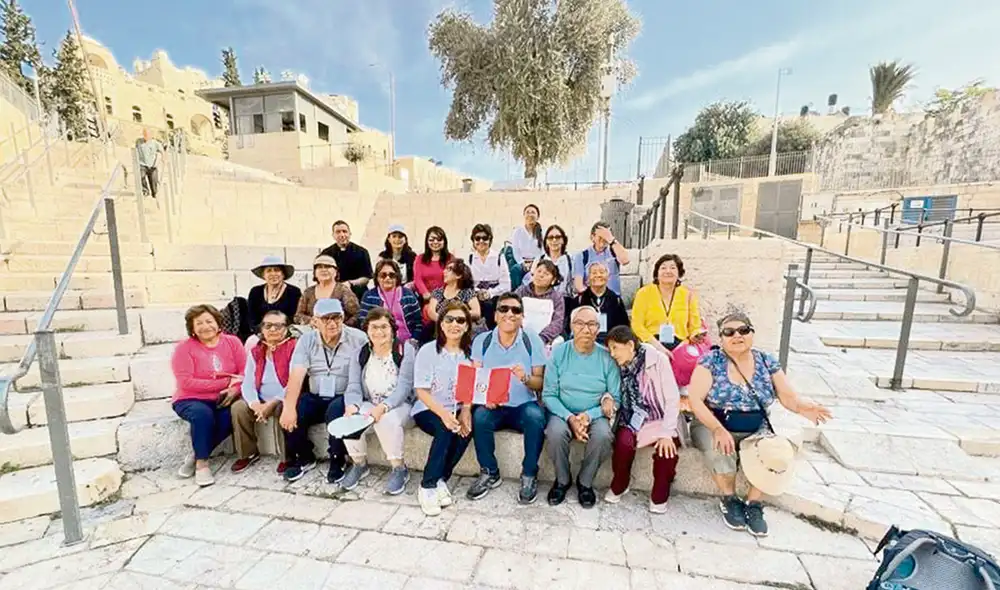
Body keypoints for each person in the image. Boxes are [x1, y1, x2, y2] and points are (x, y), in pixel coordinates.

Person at [687, 311, 832, 537]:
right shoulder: (710, 361)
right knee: (720, 451)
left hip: (756, 427)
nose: (737, 335)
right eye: (729, 332)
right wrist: (717, 429)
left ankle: (753, 504)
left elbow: (788, 396)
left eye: (743, 330)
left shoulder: (766, 361)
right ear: (721, 338)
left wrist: (804, 408)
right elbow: (695, 399)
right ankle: (729, 498)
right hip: (714, 423)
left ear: (752, 334)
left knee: (777, 454)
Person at [463, 292, 547, 504]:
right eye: (504, 309)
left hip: (523, 405)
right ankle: (490, 471)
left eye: (516, 310)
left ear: (522, 317)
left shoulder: (531, 340)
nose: (510, 314)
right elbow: (474, 380)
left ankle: (529, 474)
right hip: (494, 405)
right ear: (495, 315)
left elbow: (541, 381)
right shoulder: (482, 341)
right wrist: (482, 400)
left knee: (535, 416)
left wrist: (526, 378)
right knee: (480, 416)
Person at [278, 299, 368, 483]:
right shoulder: (306, 340)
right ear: (315, 321)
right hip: (316, 394)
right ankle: (304, 457)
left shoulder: (358, 339)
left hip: (344, 394)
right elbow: (296, 376)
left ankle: (337, 460)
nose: (332, 323)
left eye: (337, 317)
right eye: (326, 319)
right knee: (293, 408)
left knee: (335, 410)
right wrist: (288, 408)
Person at [542, 306, 621, 508]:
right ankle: (562, 479)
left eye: (592, 324)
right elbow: (549, 395)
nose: (586, 329)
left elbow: (616, 398)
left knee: (603, 435)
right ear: (571, 326)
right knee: (555, 433)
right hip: (562, 411)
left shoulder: (607, 357)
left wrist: (589, 415)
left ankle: (585, 482)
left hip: (595, 413)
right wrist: (570, 417)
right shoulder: (559, 353)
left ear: (598, 328)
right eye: (580, 324)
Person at [338, 307, 417, 495]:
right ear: (367, 330)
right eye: (374, 327)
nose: (378, 332)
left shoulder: (405, 350)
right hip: (370, 401)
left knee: (385, 419)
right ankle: (359, 464)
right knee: (349, 418)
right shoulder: (360, 353)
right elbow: (354, 386)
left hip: (400, 405)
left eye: (384, 327)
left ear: (392, 329)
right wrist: (352, 405)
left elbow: (405, 386)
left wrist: (384, 406)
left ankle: (399, 468)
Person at [604, 325, 682, 513]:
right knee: (623, 442)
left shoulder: (658, 360)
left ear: (630, 345)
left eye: (615, 347)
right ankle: (621, 483)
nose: (612, 354)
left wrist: (666, 433)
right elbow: (610, 388)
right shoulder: (617, 365)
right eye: (610, 349)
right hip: (632, 418)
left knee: (666, 448)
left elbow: (673, 399)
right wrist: (606, 397)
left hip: (660, 418)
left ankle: (660, 494)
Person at [171, 304, 246, 487]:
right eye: (199, 323)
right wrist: (225, 383)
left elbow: (245, 372)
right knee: (202, 415)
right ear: (192, 328)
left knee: (233, 415)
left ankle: (197, 454)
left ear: (218, 323)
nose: (205, 326)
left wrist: (236, 388)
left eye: (209, 321)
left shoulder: (232, 342)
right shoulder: (184, 348)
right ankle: (202, 464)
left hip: (226, 397)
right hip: (190, 399)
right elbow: (186, 382)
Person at [412, 301, 475, 516]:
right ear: (441, 323)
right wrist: (445, 415)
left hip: (456, 407)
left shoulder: (469, 354)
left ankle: (441, 479)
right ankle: (427, 485)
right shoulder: (428, 351)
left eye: (460, 320)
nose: (454, 324)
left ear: (467, 326)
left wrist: (466, 411)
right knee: (445, 428)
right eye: (449, 319)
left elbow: (469, 388)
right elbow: (421, 390)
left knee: (466, 429)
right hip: (427, 407)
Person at [232, 311, 296, 475]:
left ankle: (287, 457)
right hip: (260, 398)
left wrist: (273, 402)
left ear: (286, 328)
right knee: (239, 408)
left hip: (283, 397)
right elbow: (248, 382)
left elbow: (295, 381)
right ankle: (248, 453)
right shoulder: (257, 350)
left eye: (278, 325)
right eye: (268, 326)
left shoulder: (294, 347)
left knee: (285, 409)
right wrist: (255, 404)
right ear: (262, 329)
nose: (273, 329)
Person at [631, 253, 704, 357]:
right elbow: (636, 325)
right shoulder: (644, 293)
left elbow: (694, 326)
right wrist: (658, 347)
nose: (668, 271)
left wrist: (694, 336)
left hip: (680, 344)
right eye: (663, 268)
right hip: (652, 343)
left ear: (679, 273)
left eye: (673, 268)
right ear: (657, 273)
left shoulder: (688, 295)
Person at [358, 259, 424, 342]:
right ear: (377, 277)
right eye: (383, 275)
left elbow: (418, 322)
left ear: (397, 277)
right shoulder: (369, 296)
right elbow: (363, 322)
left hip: (408, 342)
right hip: (378, 341)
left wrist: (414, 339)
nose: (387, 278)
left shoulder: (408, 295)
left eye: (392, 275)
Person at [466, 223, 511, 330]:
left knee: (490, 306)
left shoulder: (499, 257)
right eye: (477, 238)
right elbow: (467, 283)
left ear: (490, 240)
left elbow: (506, 285)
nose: (481, 241)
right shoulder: (469, 259)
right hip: (475, 295)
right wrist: (478, 292)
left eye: (484, 238)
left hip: (495, 295)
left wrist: (489, 293)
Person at [295, 254, 360, 327]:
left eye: (328, 266)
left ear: (335, 271)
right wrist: (311, 321)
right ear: (315, 273)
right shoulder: (308, 292)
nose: (324, 270)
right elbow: (298, 316)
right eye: (319, 267)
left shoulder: (343, 290)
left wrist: (342, 326)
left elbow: (357, 315)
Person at [574, 262, 629, 345]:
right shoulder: (580, 299)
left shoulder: (616, 299)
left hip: (610, 341)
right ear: (588, 277)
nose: (598, 275)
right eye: (594, 273)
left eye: (602, 272)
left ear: (608, 276)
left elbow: (623, 326)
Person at [319, 220, 373, 301]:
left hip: (358, 294)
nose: (342, 235)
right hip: (334, 295)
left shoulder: (362, 252)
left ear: (350, 234)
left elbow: (366, 277)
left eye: (344, 231)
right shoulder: (326, 254)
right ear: (333, 235)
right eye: (338, 232)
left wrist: (350, 283)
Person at [514, 259, 565, 345]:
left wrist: (542, 338)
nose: (541, 275)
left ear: (553, 280)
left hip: (545, 340)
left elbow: (557, 322)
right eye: (539, 271)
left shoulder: (557, 297)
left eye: (546, 274)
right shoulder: (521, 291)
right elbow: (512, 312)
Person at [572, 222, 630, 296]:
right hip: (591, 299)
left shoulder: (614, 251)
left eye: (606, 235)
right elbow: (578, 285)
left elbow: (625, 260)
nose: (603, 239)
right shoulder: (582, 256)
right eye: (601, 235)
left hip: (613, 299)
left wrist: (611, 240)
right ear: (592, 237)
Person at [247, 256, 302, 333]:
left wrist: (279, 331)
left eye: (276, 270)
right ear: (263, 275)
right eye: (269, 271)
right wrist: (265, 331)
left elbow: (294, 318)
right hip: (261, 333)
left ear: (283, 274)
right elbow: (252, 319)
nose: (273, 274)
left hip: (286, 333)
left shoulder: (294, 292)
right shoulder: (255, 292)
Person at [427, 259, 482, 326]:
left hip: (460, 326)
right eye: (445, 269)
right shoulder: (438, 292)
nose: (444, 272)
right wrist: (445, 321)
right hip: (440, 326)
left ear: (458, 275)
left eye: (449, 269)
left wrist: (456, 315)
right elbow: (431, 312)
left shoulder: (467, 292)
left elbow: (476, 312)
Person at [413, 226, 453, 304]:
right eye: (432, 239)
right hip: (426, 298)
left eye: (439, 239)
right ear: (427, 241)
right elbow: (417, 278)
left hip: (446, 298)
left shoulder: (450, 258)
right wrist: (425, 293)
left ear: (444, 241)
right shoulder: (420, 258)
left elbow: (453, 279)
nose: (435, 242)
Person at [510, 204, 544, 270]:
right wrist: (522, 263)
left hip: (538, 263)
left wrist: (534, 263)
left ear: (538, 216)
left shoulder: (543, 232)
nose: (530, 215)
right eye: (527, 212)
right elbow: (516, 251)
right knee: (515, 269)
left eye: (533, 212)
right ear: (524, 215)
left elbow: (543, 252)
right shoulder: (517, 232)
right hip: (522, 263)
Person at [136, 128, 165, 199]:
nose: (146, 136)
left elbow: (162, 151)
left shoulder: (155, 143)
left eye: (148, 135)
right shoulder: (139, 141)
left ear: (151, 135)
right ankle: (145, 191)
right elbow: (135, 149)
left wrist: (164, 158)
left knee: (153, 181)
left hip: (152, 166)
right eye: (145, 134)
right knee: (141, 177)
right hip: (142, 164)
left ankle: (154, 194)